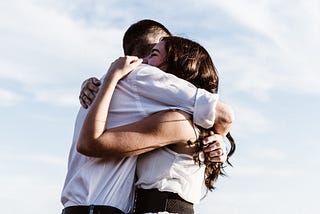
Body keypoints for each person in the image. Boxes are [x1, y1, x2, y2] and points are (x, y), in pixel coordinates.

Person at [61, 19, 232, 214]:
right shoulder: (141, 80)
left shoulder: (178, 120)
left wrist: (218, 136)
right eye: (154, 52)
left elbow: (222, 116)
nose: (147, 64)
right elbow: (223, 116)